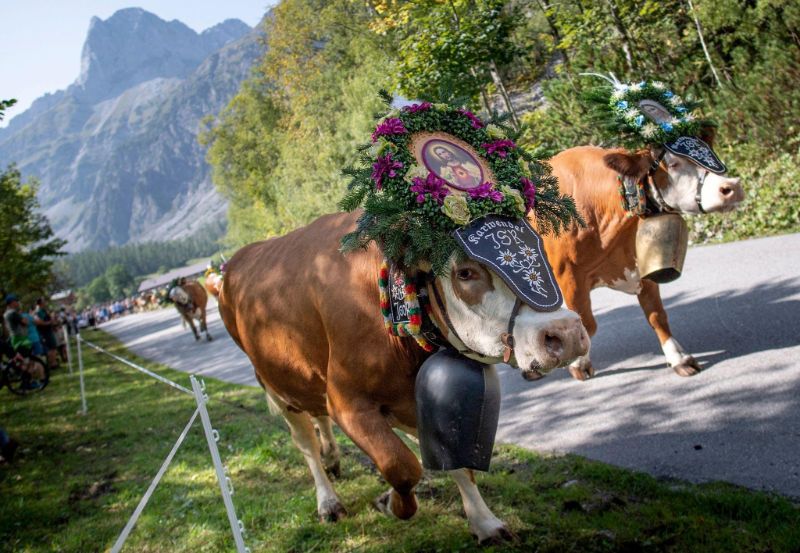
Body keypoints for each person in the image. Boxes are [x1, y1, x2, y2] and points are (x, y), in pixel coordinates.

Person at [34, 297, 59, 370]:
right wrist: (50, 322)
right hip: (45, 332)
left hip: (48, 331)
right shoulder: (39, 311)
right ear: (40, 303)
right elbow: (39, 322)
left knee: (53, 347)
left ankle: (54, 363)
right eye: (44, 301)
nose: (45, 302)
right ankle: (52, 364)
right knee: (51, 348)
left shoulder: (43, 310)